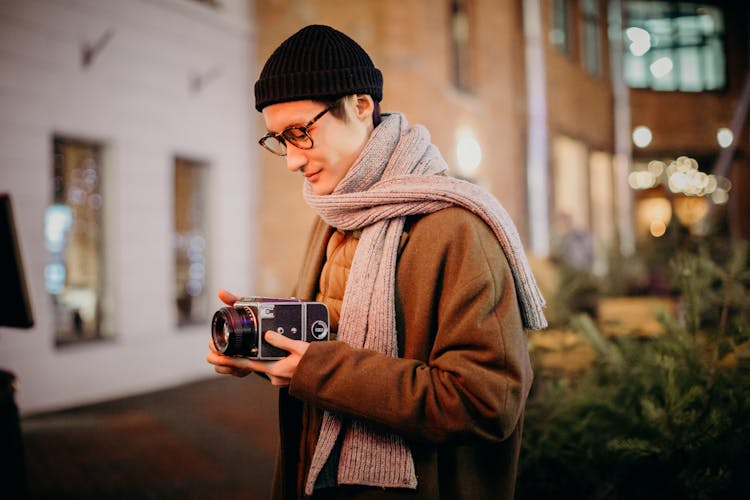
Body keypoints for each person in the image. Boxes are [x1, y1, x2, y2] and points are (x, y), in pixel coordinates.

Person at [206, 24, 547, 500]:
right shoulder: (332, 214)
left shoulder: (456, 228)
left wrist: (318, 372)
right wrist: (267, 345)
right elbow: (335, 338)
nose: (290, 160)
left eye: (300, 132)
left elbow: (487, 402)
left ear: (362, 105)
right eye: (279, 140)